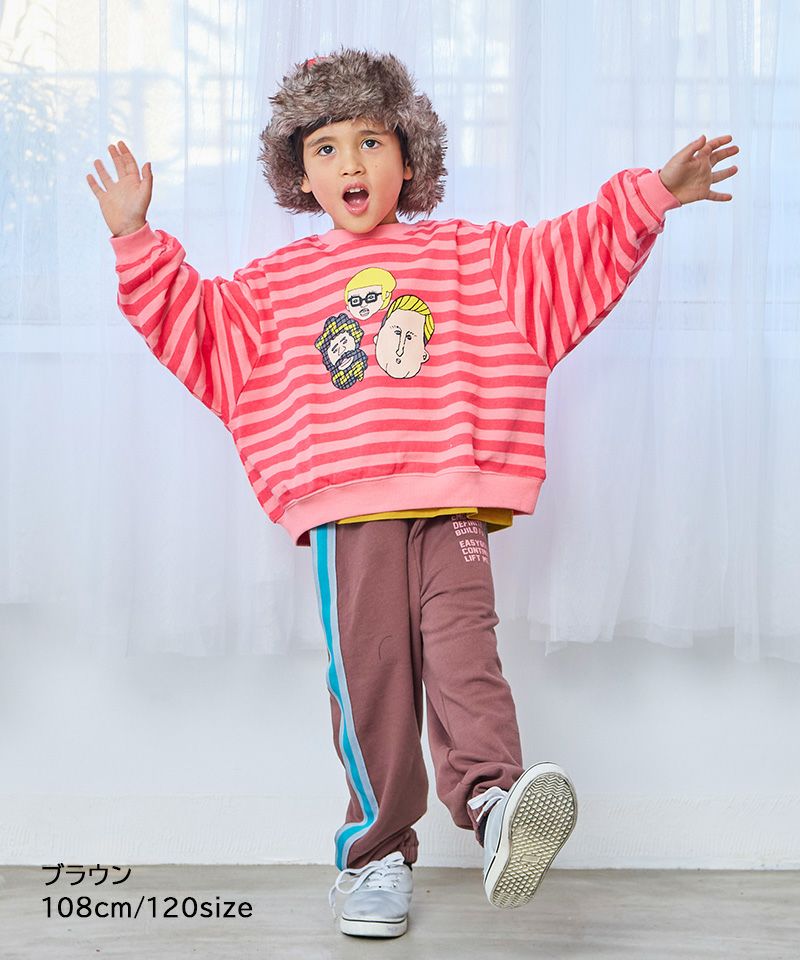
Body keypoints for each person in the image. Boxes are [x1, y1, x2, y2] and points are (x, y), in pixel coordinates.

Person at [87, 46, 739, 940]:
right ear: (299, 174)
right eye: (325, 148)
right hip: (349, 511)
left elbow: (566, 253)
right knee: (373, 676)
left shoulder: (467, 257)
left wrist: (651, 195)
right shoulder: (279, 286)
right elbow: (200, 327)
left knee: (467, 655)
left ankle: (496, 804)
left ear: (408, 155)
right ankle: (374, 855)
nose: (350, 163)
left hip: (450, 500)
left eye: (370, 141)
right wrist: (136, 240)